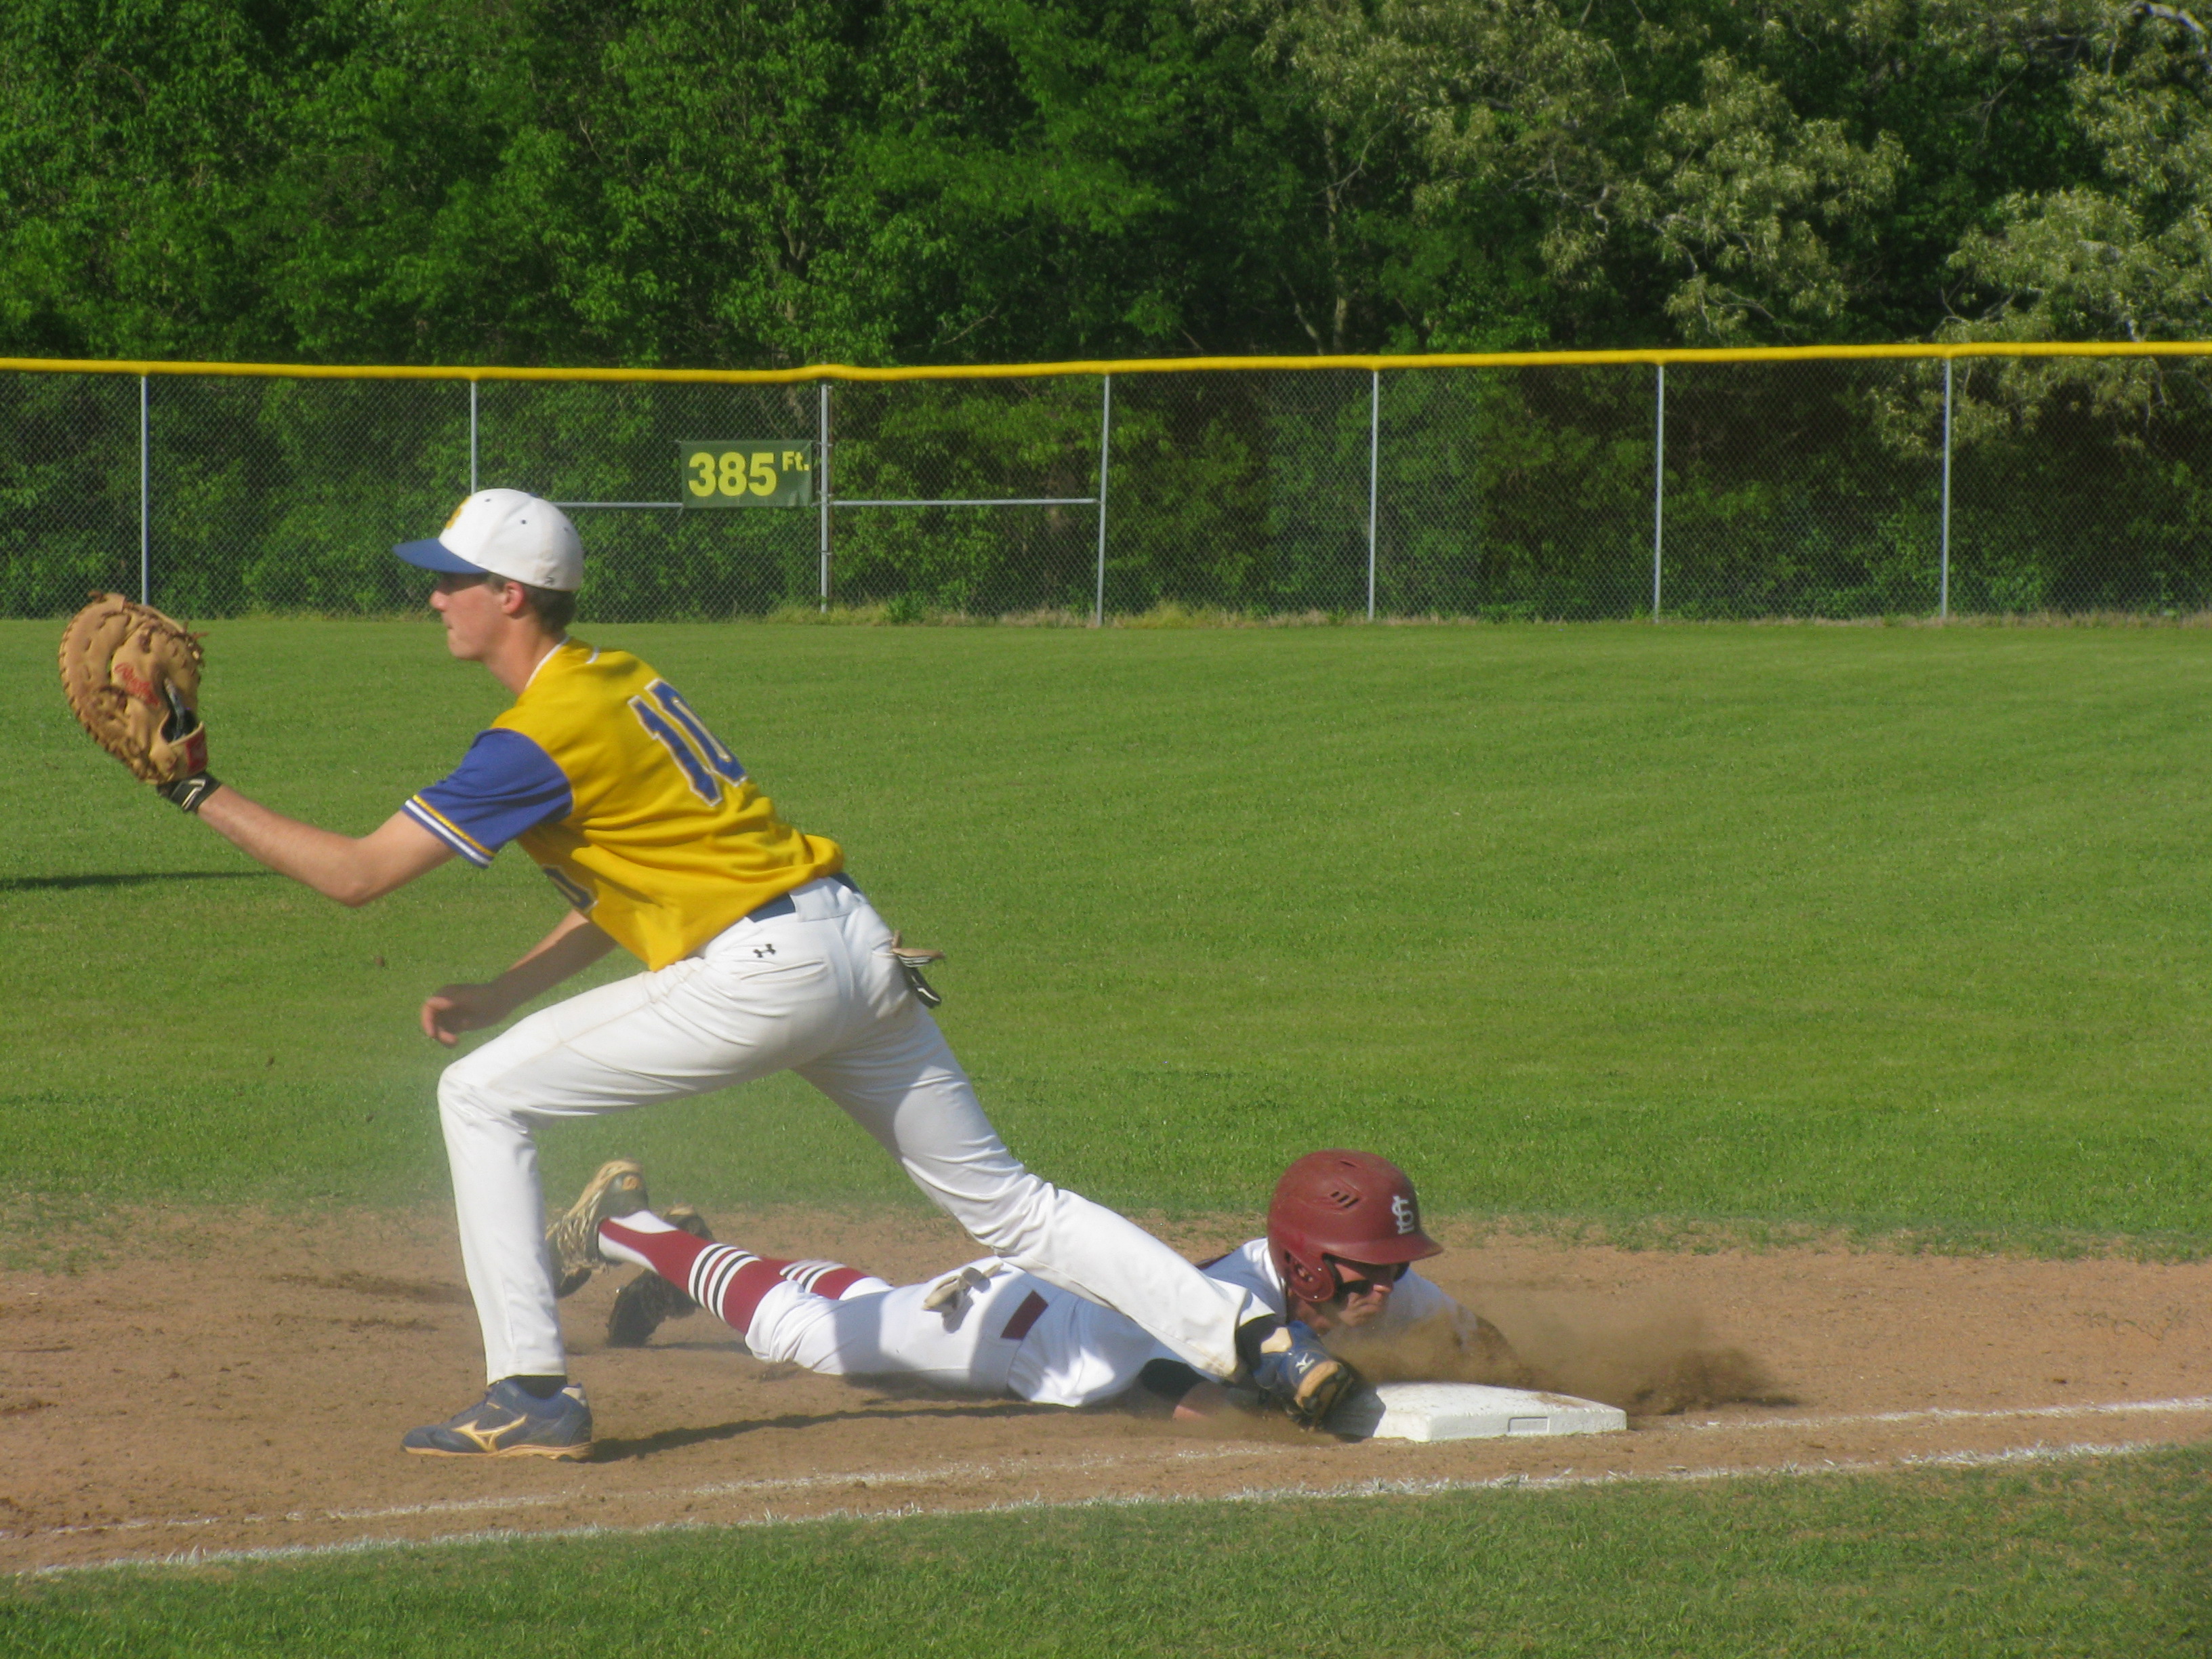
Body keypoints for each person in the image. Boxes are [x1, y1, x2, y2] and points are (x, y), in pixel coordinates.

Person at [160, 489, 1349, 1458]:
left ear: (508, 596)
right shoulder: (617, 680)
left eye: (451, 578)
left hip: (767, 972)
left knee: (476, 1097)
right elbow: (644, 890)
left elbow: (361, 875)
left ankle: (529, 1388)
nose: (434, 596)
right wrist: (504, 994)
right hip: (853, 946)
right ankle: (1259, 1343)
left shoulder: (532, 736)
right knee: (1012, 1206)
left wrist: (194, 793)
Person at [581, 1149, 1526, 1421]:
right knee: (809, 1337)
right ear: (1310, 1260)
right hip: (1007, 1324)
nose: (1387, 1291)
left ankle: (697, 1251)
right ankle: (633, 1226)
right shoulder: (1208, 1309)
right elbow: (1185, 1406)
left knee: (857, 1301)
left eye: (1397, 1269)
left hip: (1035, 1300)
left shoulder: (1378, 1287)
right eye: (1370, 1271)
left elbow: (1479, 1341)